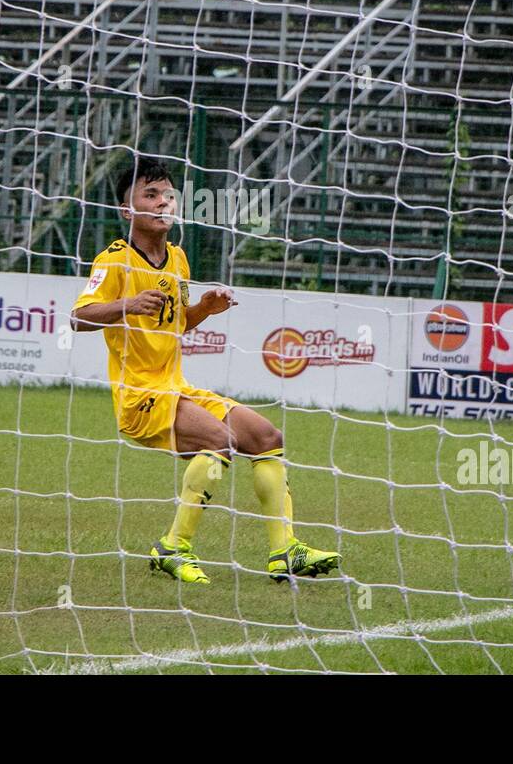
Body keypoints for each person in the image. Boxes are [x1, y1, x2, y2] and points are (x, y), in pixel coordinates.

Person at [71, 156, 340, 584]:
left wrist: (202, 311)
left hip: (176, 387)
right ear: (128, 211)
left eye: (169, 196)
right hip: (140, 396)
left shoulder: (177, 260)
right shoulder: (115, 259)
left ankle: (284, 550)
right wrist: (127, 304)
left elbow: (173, 323)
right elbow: (78, 318)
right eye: (151, 195)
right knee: (220, 440)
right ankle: (173, 546)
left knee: (266, 437)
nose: (163, 203)